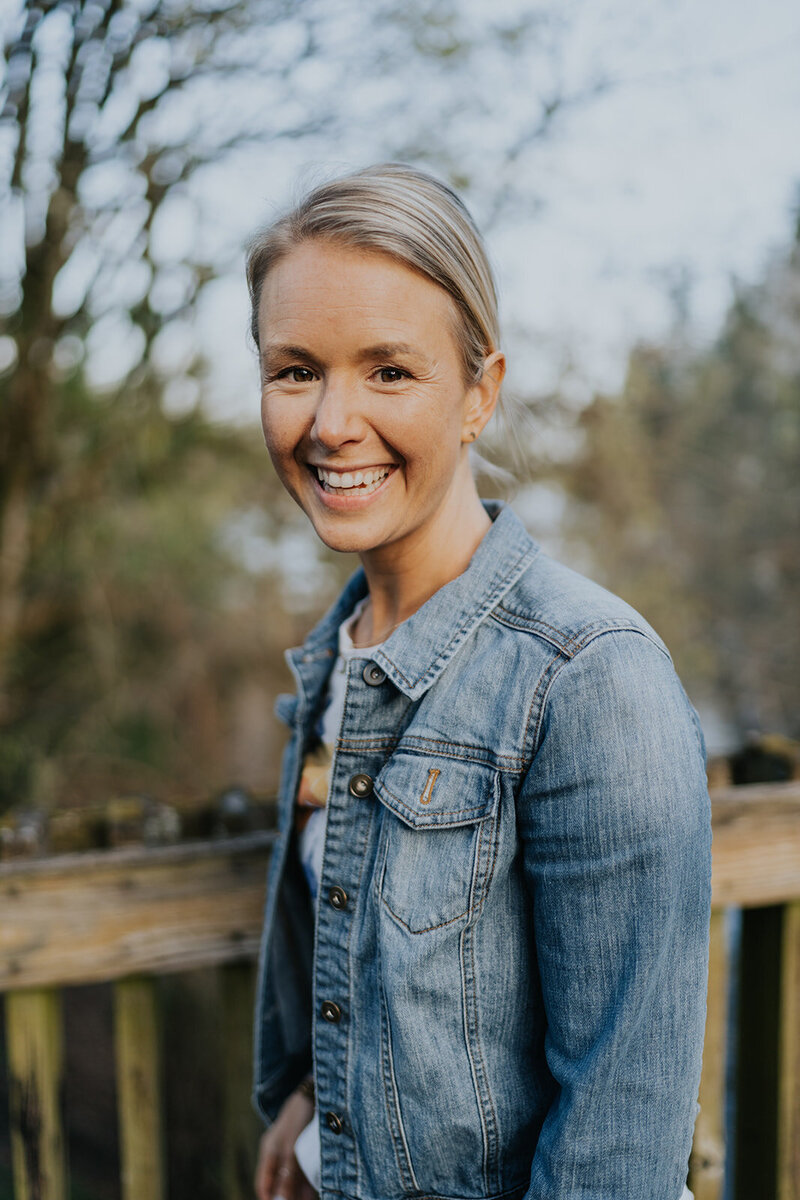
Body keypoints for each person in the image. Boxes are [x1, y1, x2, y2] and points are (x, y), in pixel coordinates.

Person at [248, 163, 711, 1200]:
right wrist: (318, 1102)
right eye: (293, 370)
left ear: (479, 393)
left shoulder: (590, 677)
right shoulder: (338, 659)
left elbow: (619, 1146)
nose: (330, 422)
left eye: (388, 372)